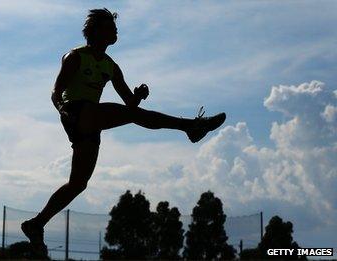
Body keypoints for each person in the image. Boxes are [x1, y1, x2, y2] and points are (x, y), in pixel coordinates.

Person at [21, 8, 226, 253]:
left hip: (91, 121)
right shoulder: (75, 57)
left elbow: (129, 104)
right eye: (111, 27)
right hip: (76, 111)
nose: (116, 31)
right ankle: (191, 126)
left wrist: (137, 95)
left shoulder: (111, 66)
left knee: (78, 184)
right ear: (96, 31)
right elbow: (56, 91)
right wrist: (62, 108)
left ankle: (36, 223)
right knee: (129, 116)